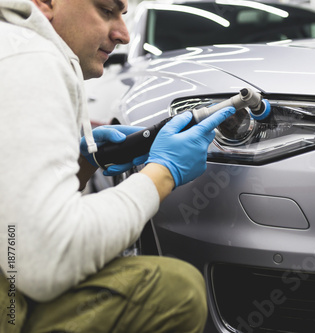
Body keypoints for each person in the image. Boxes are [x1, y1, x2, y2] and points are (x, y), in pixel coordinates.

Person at [0, 0, 236, 332]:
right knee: (174, 292)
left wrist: (85, 161)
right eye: (106, 10)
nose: (122, 34)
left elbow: (14, 217)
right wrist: (162, 174)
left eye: (123, 15)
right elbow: (45, 259)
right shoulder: (31, 58)